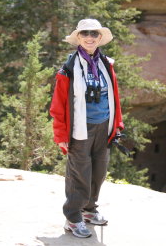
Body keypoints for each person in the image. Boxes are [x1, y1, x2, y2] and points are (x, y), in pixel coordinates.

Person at [50, 18, 124, 238]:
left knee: (99, 170)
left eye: (94, 34)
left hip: (104, 126)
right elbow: (58, 106)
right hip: (80, 129)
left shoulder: (106, 65)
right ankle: (73, 218)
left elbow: (115, 97)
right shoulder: (69, 69)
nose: (90, 38)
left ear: (100, 38)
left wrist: (117, 124)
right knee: (79, 174)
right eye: (85, 34)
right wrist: (61, 134)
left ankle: (89, 209)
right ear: (78, 38)